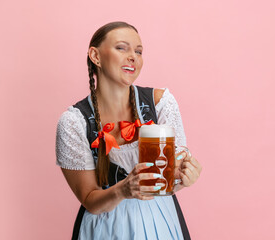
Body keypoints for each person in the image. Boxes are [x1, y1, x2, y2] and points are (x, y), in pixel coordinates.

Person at [55, 21, 202, 240]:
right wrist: (123, 190)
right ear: (95, 56)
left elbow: (167, 184)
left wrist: (185, 177)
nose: (133, 56)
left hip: (160, 223)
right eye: (122, 48)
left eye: (139, 51)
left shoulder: (160, 103)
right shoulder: (74, 122)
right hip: (105, 229)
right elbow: (89, 200)